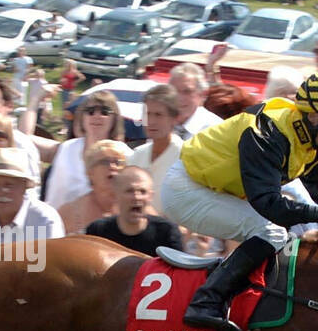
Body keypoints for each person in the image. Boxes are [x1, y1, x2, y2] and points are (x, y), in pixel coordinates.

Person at [162, 71, 318, 331]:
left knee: (283, 233)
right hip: (186, 190)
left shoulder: (309, 141)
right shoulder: (266, 133)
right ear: (313, 116)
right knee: (272, 231)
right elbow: (269, 204)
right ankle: (206, 302)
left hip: (215, 189)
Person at [43, 89, 127, 208]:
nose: (97, 116)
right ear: (82, 117)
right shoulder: (67, 148)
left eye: (105, 112)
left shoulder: (125, 154)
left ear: (115, 118)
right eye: (90, 111)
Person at [85, 165, 182, 255]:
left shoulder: (166, 232)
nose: (136, 197)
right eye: (129, 191)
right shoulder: (98, 232)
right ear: (115, 195)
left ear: (150, 196)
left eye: (142, 191)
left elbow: (177, 272)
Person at [128, 84, 183, 214]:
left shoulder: (185, 157)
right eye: (148, 114)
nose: (151, 121)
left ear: (174, 119)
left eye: (158, 115)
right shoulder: (137, 156)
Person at [167, 62, 221, 138]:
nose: (178, 98)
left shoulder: (215, 130)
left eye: (187, 92)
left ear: (202, 94)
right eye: (173, 91)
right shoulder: (158, 122)